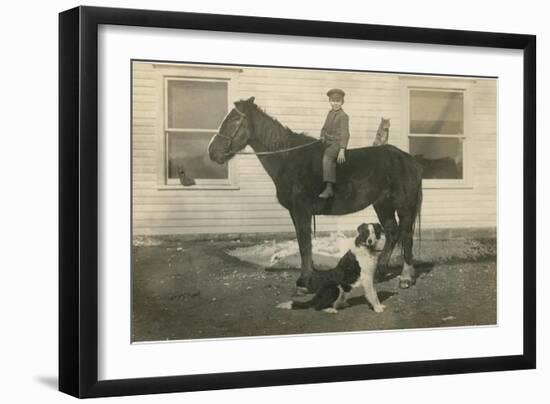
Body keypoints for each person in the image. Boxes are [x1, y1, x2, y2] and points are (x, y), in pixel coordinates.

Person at [318, 88, 350, 198]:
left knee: (327, 158)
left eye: (338, 101)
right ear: (329, 102)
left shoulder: (343, 116)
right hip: (327, 141)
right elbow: (324, 127)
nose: (335, 103)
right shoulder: (330, 113)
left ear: (342, 102)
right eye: (333, 101)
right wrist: (322, 136)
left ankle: (329, 187)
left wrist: (342, 149)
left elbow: (345, 134)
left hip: (336, 143)